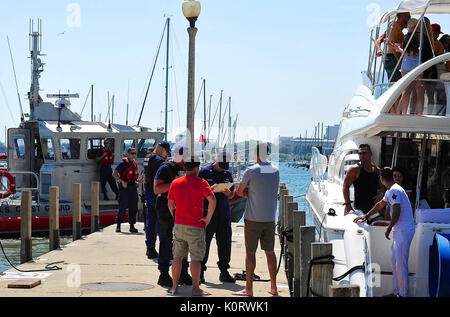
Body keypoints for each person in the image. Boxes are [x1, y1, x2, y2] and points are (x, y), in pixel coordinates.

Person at [354, 167, 415, 297]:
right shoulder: (391, 191)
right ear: (391, 177)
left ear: (381, 179)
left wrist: (388, 228)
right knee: (395, 261)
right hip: (400, 230)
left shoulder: (395, 191)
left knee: (400, 263)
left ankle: (403, 294)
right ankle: (397, 291)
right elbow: (380, 205)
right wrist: (366, 215)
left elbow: (397, 212)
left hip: (404, 230)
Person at [233, 142, 280, 297]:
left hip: (253, 218)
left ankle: (249, 289)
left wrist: (247, 193)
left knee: (250, 253)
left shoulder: (251, 170)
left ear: (256, 154)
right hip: (269, 218)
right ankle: (274, 287)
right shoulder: (275, 171)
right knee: (270, 252)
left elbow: (239, 192)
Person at [167, 157, 217, 296]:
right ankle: (196, 288)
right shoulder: (201, 182)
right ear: (196, 168)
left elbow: (170, 205)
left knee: (177, 258)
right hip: (196, 225)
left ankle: (174, 287)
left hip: (179, 225)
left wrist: (175, 217)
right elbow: (212, 200)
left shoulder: (175, 182)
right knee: (195, 259)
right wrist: (207, 218)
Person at [153, 146, 191, 287]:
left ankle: (183, 273)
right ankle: (163, 274)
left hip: (182, 209)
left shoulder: (187, 168)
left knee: (183, 241)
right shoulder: (165, 168)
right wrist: (176, 182)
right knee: (166, 241)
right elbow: (157, 189)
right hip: (166, 209)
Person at [198, 150, 236, 284]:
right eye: (221, 165)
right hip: (208, 212)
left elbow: (232, 195)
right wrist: (210, 189)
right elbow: (197, 192)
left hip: (223, 213)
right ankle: (200, 271)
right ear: (216, 159)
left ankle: (224, 271)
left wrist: (227, 193)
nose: (222, 168)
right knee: (205, 242)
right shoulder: (204, 172)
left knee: (225, 242)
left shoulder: (227, 174)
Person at [143, 141, 170, 259]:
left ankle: (150, 248)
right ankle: (162, 250)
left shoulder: (148, 157)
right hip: (156, 193)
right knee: (161, 221)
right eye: (167, 152)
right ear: (163, 150)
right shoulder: (159, 161)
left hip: (148, 191)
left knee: (151, 221)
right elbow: (167, 168)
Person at [343, 144, 382, 222]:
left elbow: (383, 186)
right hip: (358, 209)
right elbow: (345, 187)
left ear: (370, 154)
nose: (362, 155)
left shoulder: (377, 170)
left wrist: (381, 193)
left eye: (364, 153)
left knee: (381, 224)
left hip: (373, 209)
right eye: (360, 153)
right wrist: (348, 204)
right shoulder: (354, 169)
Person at [113, 147, 144, 233]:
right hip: (125, 188)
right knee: (122, 207)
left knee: (133, 207)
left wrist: (138, 182)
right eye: (132, 153)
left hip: (133, 187)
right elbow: (114, 174)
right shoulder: (123, 163)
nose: (134, 155)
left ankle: (132, 226)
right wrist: (122, 181)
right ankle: (118, 226)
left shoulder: (134, 163)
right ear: (128, 154)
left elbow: (135, 176)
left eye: (135, 153)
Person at [376, 12, 411, 82]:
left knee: (394, 84)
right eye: (409, 17)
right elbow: (394, 47)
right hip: (393, 59)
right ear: (403, 17)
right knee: (398, 84)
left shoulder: (391, 26)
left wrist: (379, 49)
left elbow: (379, 40)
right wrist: (401, 66)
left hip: (389, 58)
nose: (409, 20)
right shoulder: (396, 28)